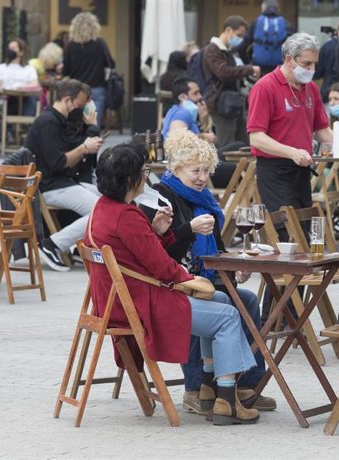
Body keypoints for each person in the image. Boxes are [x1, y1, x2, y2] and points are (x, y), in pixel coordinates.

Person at [87, 143, 259, 426]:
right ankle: (227, 400)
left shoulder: (103, 208)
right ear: (130, 178)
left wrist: (157, 232)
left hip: (118, 299)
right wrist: (190, 279)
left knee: (223, 300)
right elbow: (161, 267)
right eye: (142, 172)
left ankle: (207, 385)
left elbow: (142, 254)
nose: (146, 177)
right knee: (227, 316)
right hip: (141, 304)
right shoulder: (126, 215)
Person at [140, 129, 276, 416]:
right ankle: (195, 388)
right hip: (176, 279)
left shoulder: (206, 200)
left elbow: (219, 246)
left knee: (247, 299)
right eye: (195, 171)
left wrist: (234, 268)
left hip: (203, 275)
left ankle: (245, 386)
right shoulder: (164, 197)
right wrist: (188, 230)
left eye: (205, 170)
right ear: (176, 170)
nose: (202, 177)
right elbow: (160, 252)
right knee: (213, 300)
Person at [247, 32, 339, 240]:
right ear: (288, 60)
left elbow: (322, 130)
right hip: (275, 169)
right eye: (306, 64)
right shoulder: (265, 87)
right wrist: (292, 152)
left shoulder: (310, 87)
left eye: (314, 64)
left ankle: (302, 271)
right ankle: (286, 271)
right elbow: (256, 137)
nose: (311, 70)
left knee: (305, 227)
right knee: (287, 229)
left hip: (302, 166)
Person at [29, 79, 104, 271]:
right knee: (101, 212)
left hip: (63, 182)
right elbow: (58, 162)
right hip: (51, 186)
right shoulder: (48, 122)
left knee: (108, 200)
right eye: (78, 105)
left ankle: (81, 248)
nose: (79, 110)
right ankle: (53, 244)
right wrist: (84, 148)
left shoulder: (57, 121)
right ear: (68, 100)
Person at [202, 15, 260, 148]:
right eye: (238, 34)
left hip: (233, 103)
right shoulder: (212, 50)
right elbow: (223, 72)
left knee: (244, 143)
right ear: (228, 30)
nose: (239, 39)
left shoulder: (230, 51)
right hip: (220, 104)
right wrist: (249, 69)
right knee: (227, 146)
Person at [63, 12, 113, 127]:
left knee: (76, 126)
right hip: (97, 88)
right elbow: (110, 64)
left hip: (77, 91)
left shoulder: (71, 46)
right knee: (94, 127)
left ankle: (81, 145)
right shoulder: (100, 43)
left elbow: (66, 71)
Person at [242, 0, 294, 76]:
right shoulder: (285, 23)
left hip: (259, 67)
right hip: (279, 66)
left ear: (263, 8)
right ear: (277, 9)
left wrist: (247, 62)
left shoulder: (256, 22)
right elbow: (295, 45)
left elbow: (244, 44)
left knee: (261, 86)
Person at [161, 77, 215, 144]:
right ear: (182, 97)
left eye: (199, 92)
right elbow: (177, 138)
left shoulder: (178, 111)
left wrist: (204, 120)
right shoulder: (182, 113)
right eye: (196, 93)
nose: (200, 97)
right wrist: (204, 137)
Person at [0, 38, 40, 116]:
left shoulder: (29, 69)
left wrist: (20, 88)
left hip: (24, 98)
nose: (10, 51)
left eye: (13, 48)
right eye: (9, 49)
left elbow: (35, 84)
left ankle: (26, 124)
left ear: (21, 52)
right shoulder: (1, 68)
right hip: (7, 99)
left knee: (30, 99)